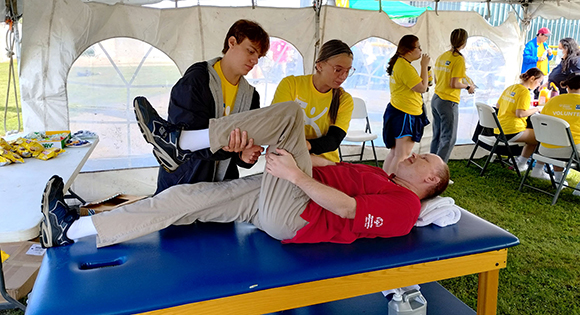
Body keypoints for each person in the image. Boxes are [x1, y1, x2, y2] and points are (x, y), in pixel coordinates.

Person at [40, 98, 450, 249]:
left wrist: (293, 176)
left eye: (424, 162)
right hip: (281, 195)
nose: (416, 156)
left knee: (291, 113)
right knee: (186, 199)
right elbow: (326, 166)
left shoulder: (405, 206)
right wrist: (272, 152)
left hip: (297, 213)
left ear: (431, 182)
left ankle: (179, 143)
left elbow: (345, 209)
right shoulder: (385, 178)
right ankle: (71, 231)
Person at [154, 19, 270, 195]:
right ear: (232, 42)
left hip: (222, 190)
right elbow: (183, 141)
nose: (254, 60)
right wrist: (224, 147)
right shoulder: (196, 81)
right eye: (251, 51)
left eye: (259, 56)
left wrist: (245, 157)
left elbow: (241, 152)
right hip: (182, 183)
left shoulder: (251, 96)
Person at [271, 39, 354, 162]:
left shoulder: (344, 99)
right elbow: (276, 124)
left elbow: (334, 140)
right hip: (288, 156)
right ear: (319, 65)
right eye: (338, 69)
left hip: (324, 162)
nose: (343, 76)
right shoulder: (291, 84)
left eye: (348, 71)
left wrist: (303, 146)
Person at [382, 35, 430, 175]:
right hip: (405, 113)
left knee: (395, 153)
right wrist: (424, 65)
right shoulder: (404, 66)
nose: (421, 50)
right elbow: (422, 88)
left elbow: (422, 85)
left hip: (400, 111)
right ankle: (390, 186)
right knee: (402, 155)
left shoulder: (401, 63)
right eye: (418, 47)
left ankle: (384, 182)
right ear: (409, 50)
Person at [430, 28, 475, 163]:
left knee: (437, 136)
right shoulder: (459, 59)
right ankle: (439, 171)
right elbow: (454, 83)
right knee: (449, 138)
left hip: (436, 98)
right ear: (464, 42)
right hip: (448, 101)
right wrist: (468, 87)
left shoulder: (443, 56)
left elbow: (437, 80)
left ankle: (430, 166)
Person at [496, 68, 549, 179]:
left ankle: (521, 163)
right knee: (542, 137)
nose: (539, 85)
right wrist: (536, 109)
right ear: (532, 78)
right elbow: (520, 113)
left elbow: (498, 106)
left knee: (533, 137)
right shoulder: (525, 92)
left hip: (499, 128)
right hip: (512, 129)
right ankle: (535, 168)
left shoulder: (511, 87)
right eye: (539, 82)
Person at [540, 74, 580, 193]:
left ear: (567, 87)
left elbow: (541, 120)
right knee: (568, 141)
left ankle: (558, 180)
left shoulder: (553, 100)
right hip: (570, 150)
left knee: (560, 138)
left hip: (545, 148)